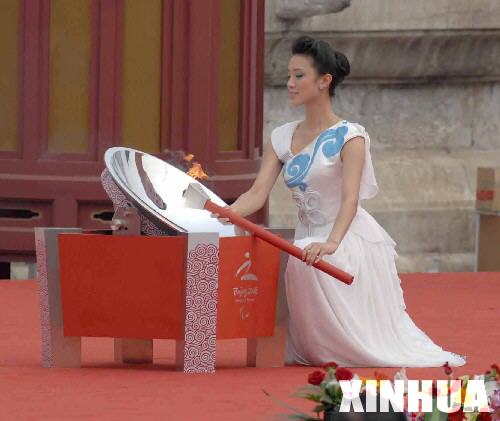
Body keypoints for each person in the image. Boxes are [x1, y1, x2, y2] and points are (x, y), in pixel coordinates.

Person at [212, 35, 467, 367]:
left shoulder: (351, 137)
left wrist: (331, 243)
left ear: (324, 81)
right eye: (288, 75)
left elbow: (350, 200)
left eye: (299, 75)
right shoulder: (281, 137)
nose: (290, 83)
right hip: (306, 241)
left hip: (345, 240)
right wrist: (224, 214)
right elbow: (257, 194)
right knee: (295, 257)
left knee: (304, 259)